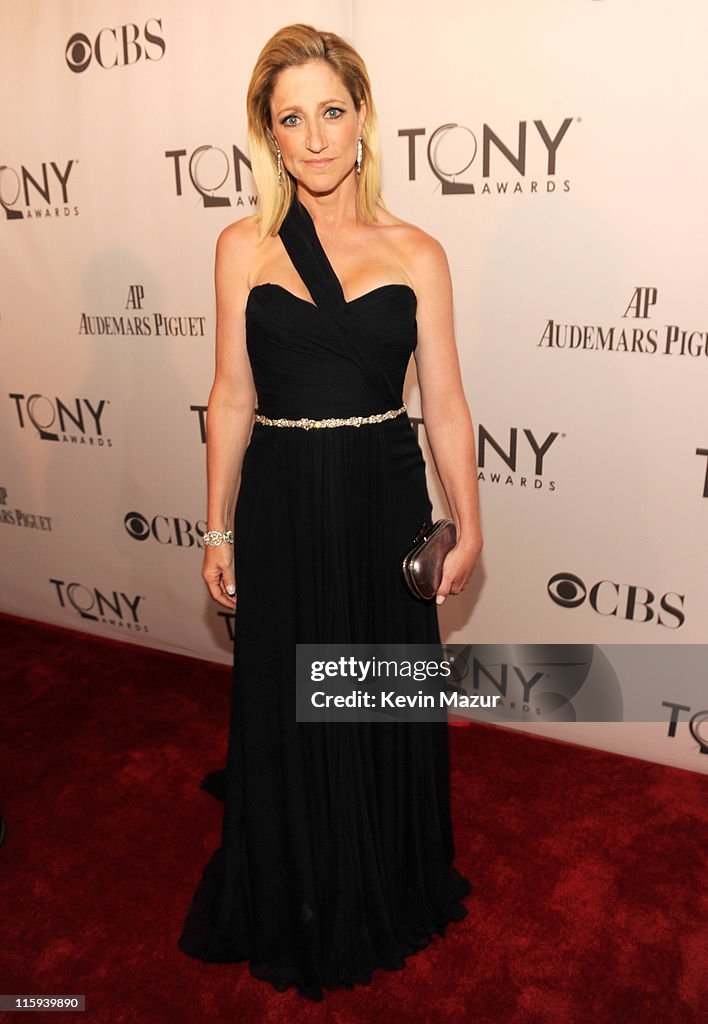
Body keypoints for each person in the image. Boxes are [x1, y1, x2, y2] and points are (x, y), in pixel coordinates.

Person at [177, 23, 483, 1002]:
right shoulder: (241, 246)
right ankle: (300, 881)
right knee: (292, 690)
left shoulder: (417, 251)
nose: (314, 138)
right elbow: (229, 395)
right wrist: (216, 524)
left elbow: (446, 403)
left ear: (363, 118)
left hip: (383, 494)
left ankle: (385, 871)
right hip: (281, 497)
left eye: (331, 112)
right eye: (290, 118)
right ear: (269, 134)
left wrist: (467, 524)